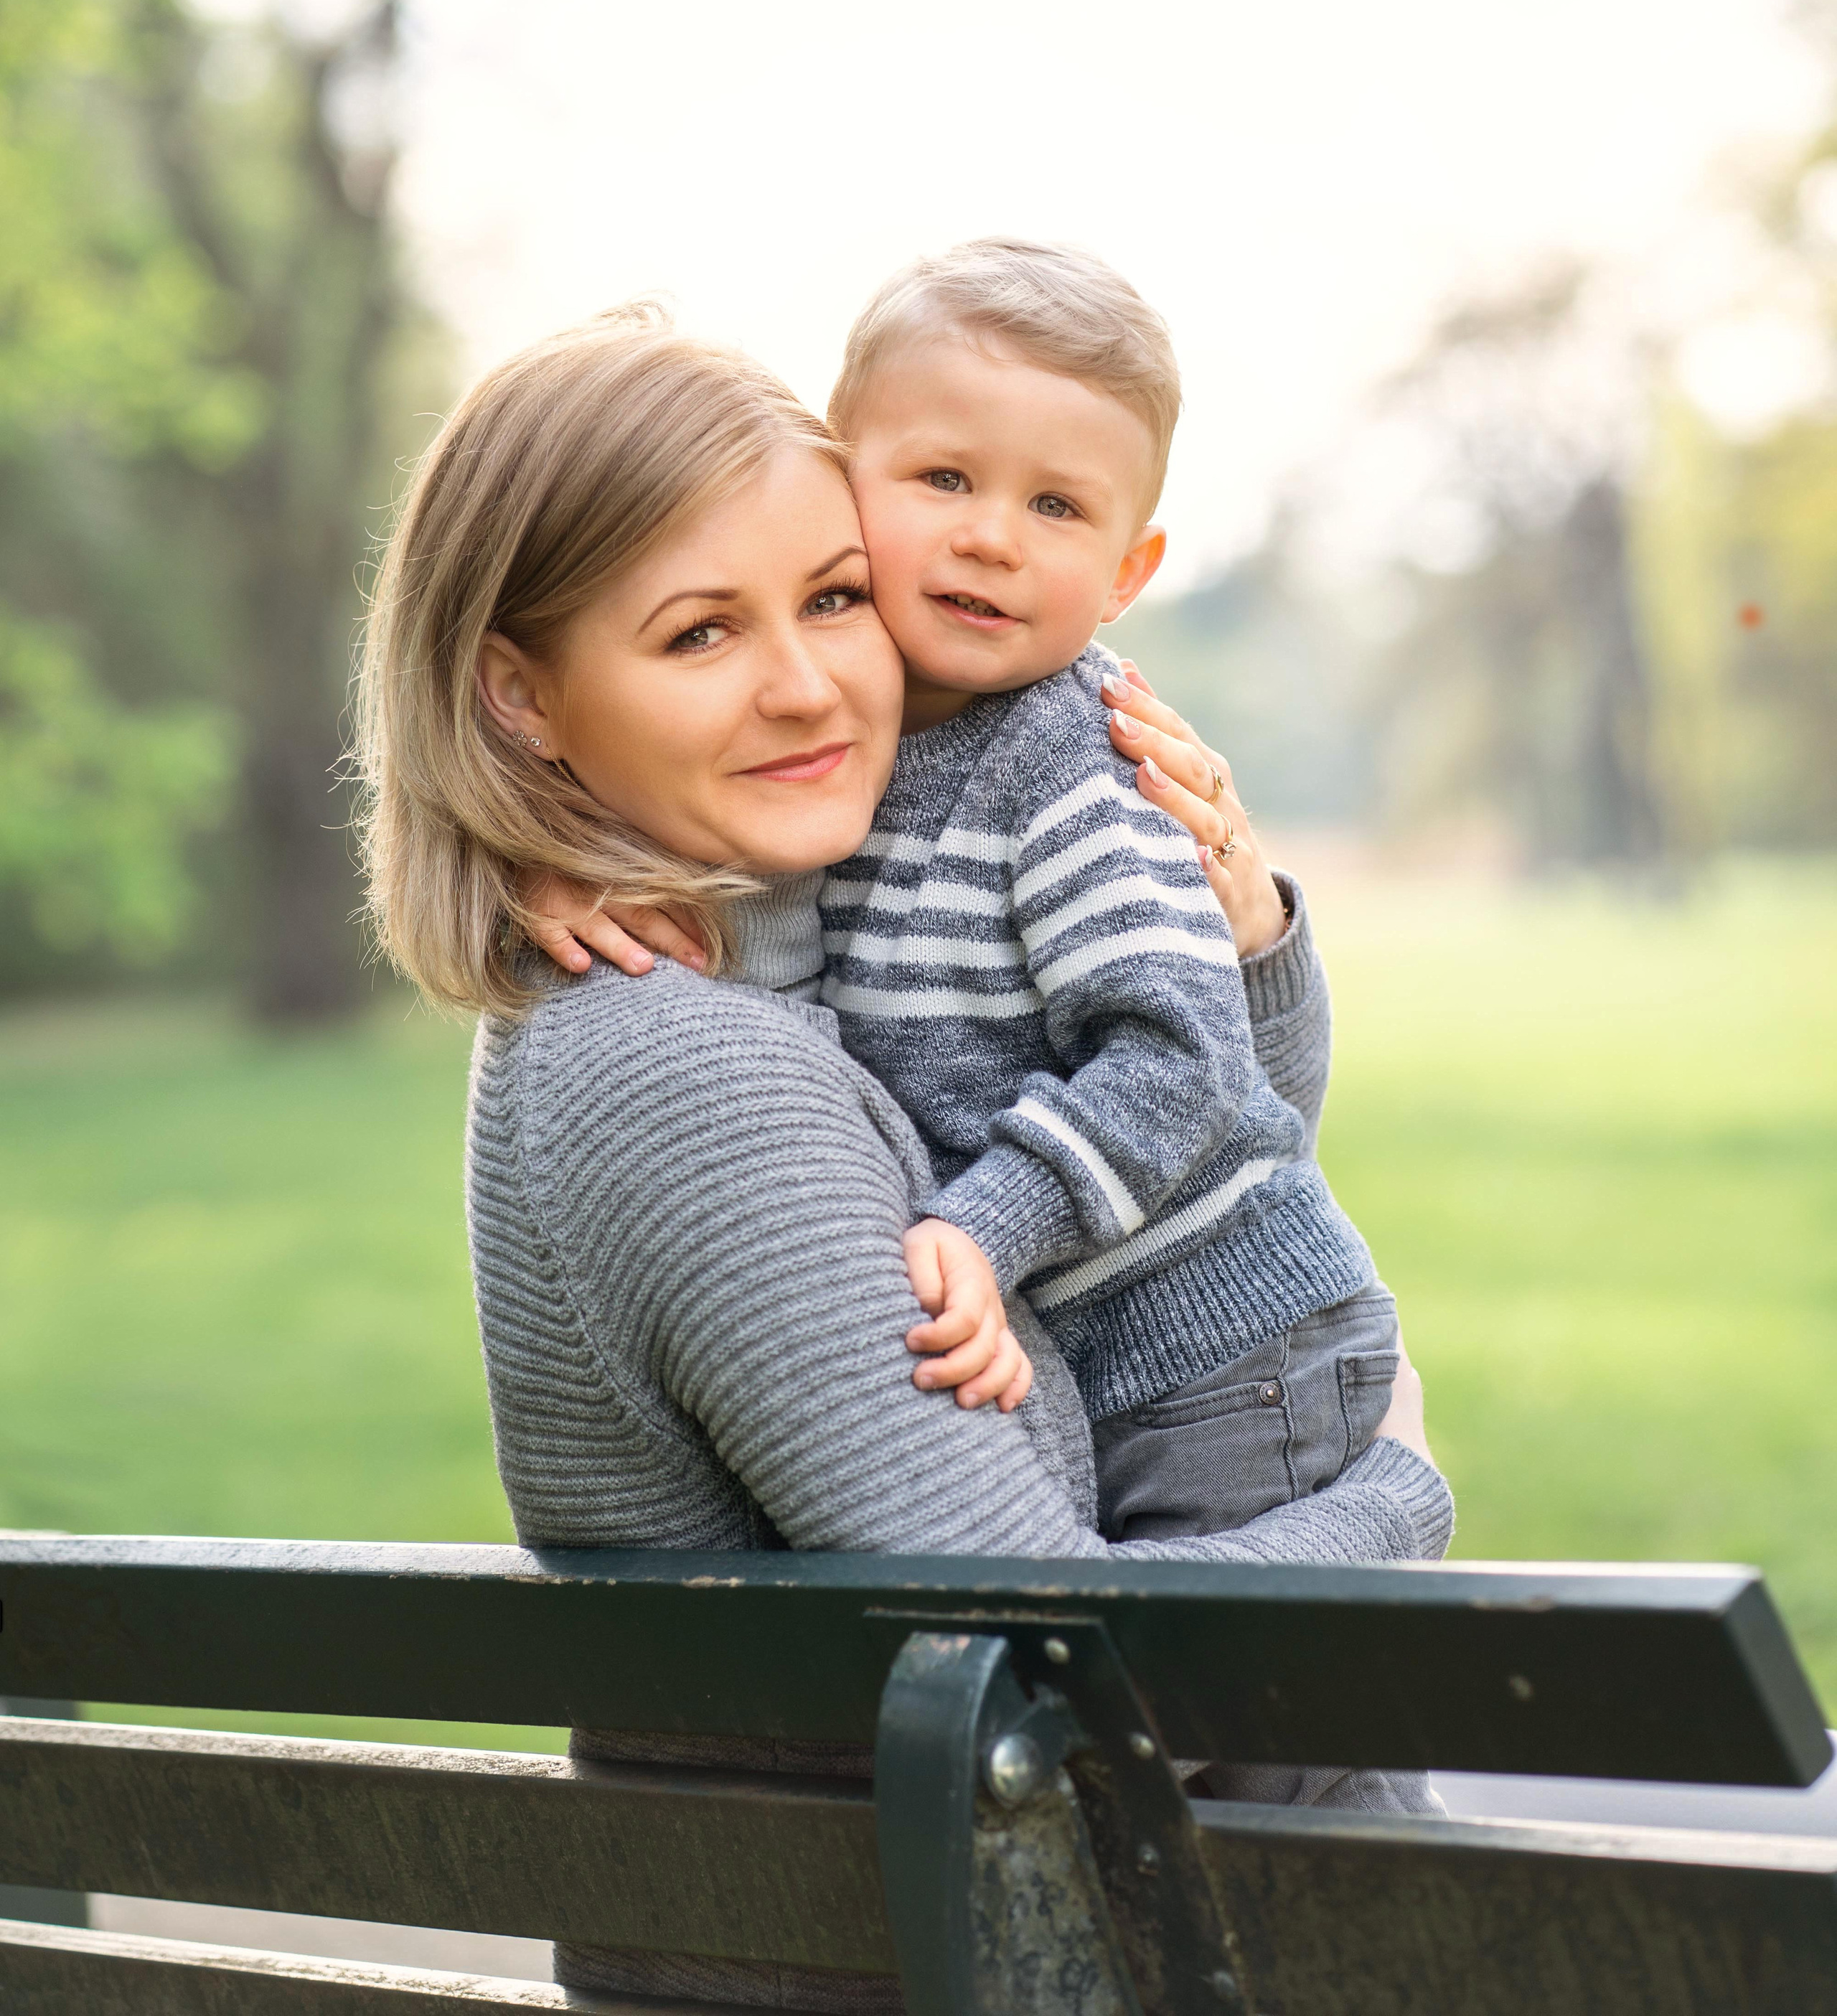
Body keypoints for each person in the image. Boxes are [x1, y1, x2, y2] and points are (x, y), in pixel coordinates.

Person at [357, 309, 1452, 2012]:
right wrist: (1388, 1490)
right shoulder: (682, 1070)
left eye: (833, 594)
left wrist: (1236, 933)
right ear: (520, 693)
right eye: (699, 631)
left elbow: (1188, 1178)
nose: (809, 682)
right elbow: (1054, 1660)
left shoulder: (750, 957)